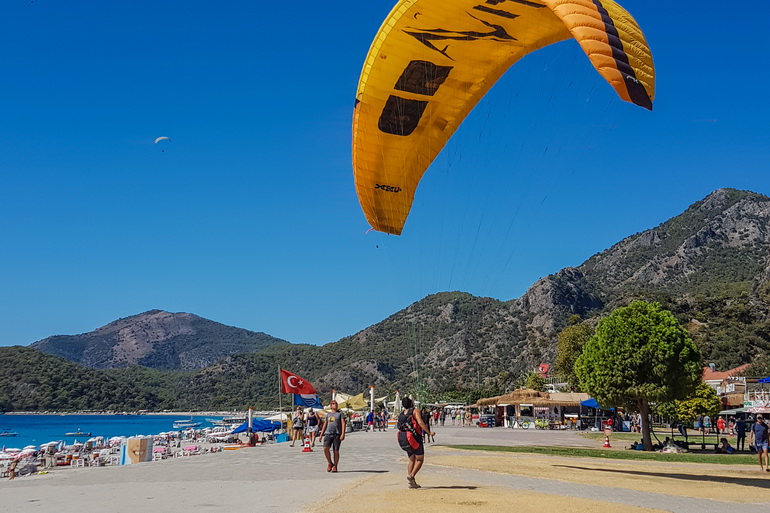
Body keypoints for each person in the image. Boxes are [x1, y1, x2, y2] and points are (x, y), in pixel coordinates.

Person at [398, 397, 435, 489]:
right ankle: (411, 476)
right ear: (411, 403)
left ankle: (411, 481)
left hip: (405, 438)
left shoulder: (401, 414)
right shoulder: (415, 411)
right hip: (414, 438)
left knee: (411, 459)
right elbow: (420, 422)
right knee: (420, 459)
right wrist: (429, 432)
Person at [319, 400, 346, 472]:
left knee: (336, 451)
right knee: (325, 448)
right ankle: (330, 463)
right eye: (333, 404)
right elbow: (325, 424)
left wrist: (343, 433)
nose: (335, 405)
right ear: (331, 406)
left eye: (336, 404)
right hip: (328, 433)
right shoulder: (328, 414)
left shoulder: (340, 414)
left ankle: (335, 466)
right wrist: (321, 434)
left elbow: (343, 423)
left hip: (337, 434)